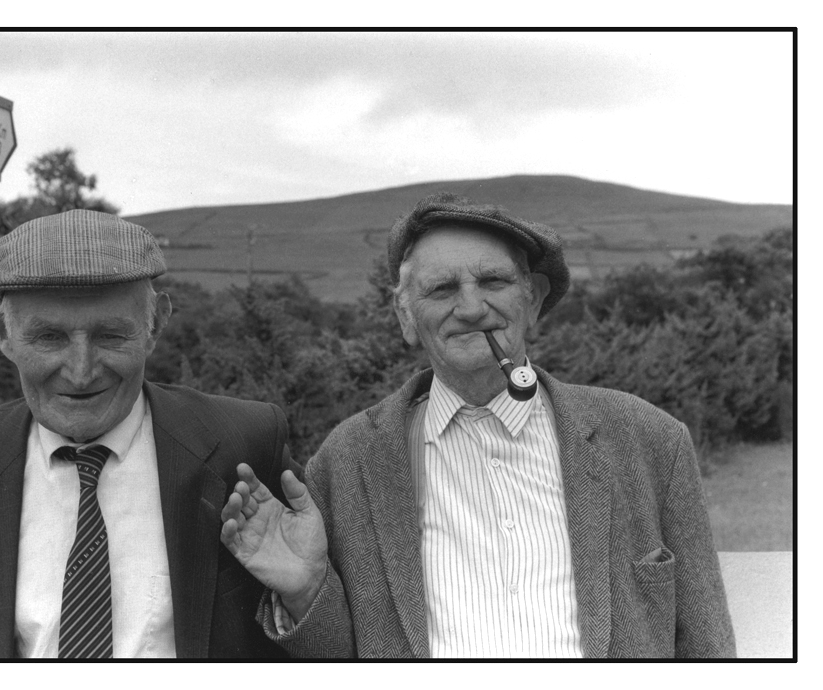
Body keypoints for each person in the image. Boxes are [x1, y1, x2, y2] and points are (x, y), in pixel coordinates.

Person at [220, 192, 736, 658]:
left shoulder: (650, 440)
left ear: (532, 299)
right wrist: (307, 590)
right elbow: (340, 658)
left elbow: (708, 644)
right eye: (442, 288)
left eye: (493, 281)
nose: (470, 308)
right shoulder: (347, 460)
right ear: (405, 316)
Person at [0, 209, 294, 658]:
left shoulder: (245, 443)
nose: (81, 371)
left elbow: (306, 625)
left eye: (110, 336)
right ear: (0, 329)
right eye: (49, 338)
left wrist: (308, 593)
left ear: (155, 325)